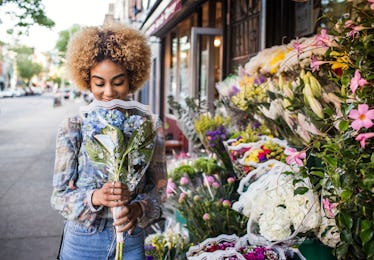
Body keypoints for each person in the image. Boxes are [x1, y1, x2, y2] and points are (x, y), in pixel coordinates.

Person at [51, 23, 167, 260]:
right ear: (87, 81)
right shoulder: (74, 126)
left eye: (118, 81)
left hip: (131, 238)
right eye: (99, 83)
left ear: (132, 78)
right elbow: (59, 196)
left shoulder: (150, 126)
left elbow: (160, 192)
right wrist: (94, 198)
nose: (109, 92)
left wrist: (138, 209)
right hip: (83, 241)